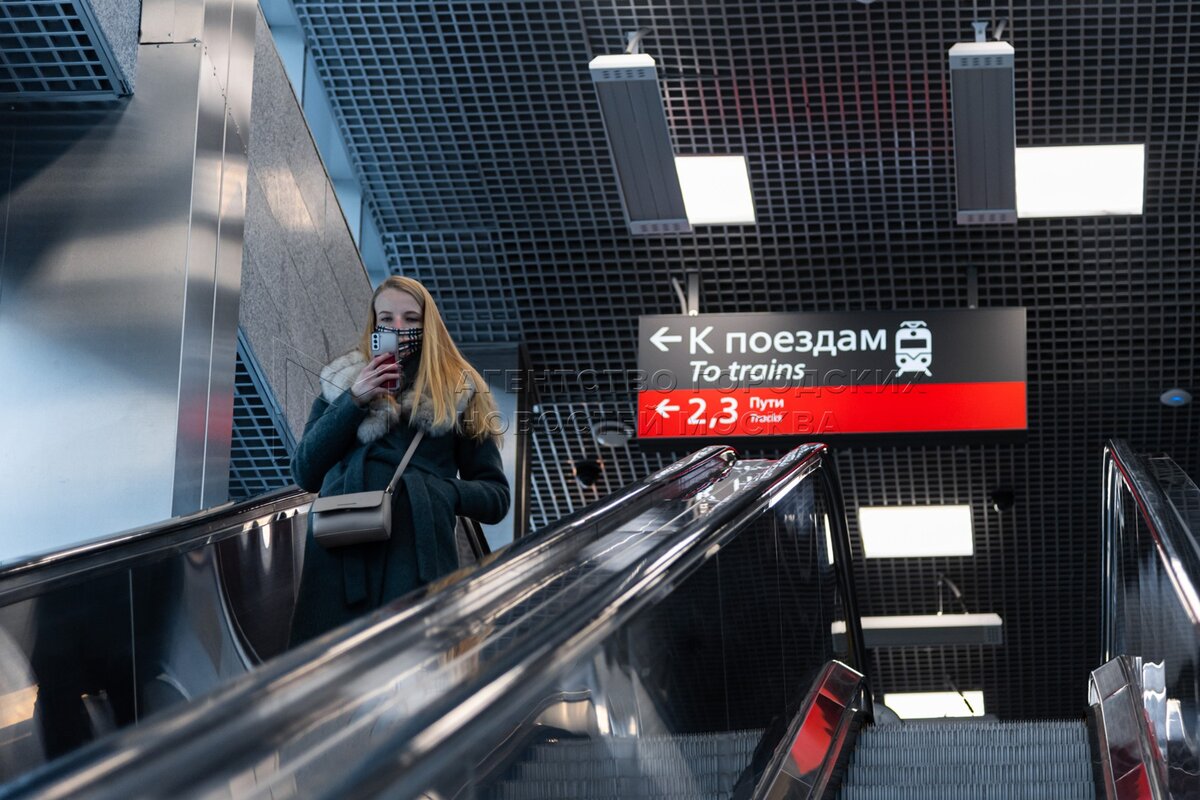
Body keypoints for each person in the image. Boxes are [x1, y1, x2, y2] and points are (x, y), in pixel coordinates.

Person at [288, 276, 509, 646]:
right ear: (374, 325)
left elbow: (496, 497)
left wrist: (438, 493)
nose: (398, 328)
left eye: (411, 318)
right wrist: (354, 400)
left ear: (428, 324)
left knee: (411, 665)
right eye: (386, 319)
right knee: (328, 669)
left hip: (417, 554)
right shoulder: (342, 383)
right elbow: (305, 471)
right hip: (340, 555)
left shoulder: (460, 390)